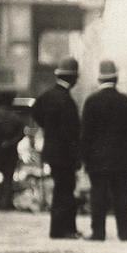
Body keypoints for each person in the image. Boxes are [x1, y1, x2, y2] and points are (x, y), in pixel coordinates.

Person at [80, 60, 127, 241]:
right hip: (122, 162)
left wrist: (86, 159)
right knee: (121, 197)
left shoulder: (91, 102)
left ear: (99, 79)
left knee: (97, 196)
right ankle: (124, 233)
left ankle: (98, 233)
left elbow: (85, 135)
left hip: (97, 162)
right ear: (116, 78)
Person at [32, 57, 82, 238]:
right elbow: (72, 135)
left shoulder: (47, 95)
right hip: (65, 155)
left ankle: (60, 229)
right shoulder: (67, 101)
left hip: (52, 153)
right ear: (72, 78)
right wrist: (77, 158)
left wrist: (48, 128)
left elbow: (35, 111)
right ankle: (64, 230)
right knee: (65, 191)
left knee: (61, 190)